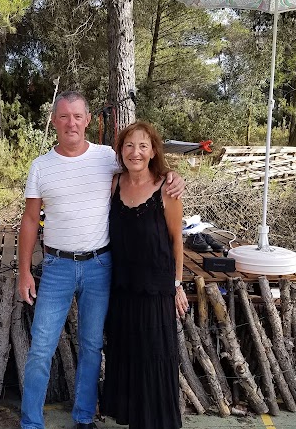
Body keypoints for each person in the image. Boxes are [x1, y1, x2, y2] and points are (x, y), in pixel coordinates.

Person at [17, 91, 184, 429]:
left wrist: (174, 176)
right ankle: (31, 423)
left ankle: (83, 417)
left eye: (77, 116)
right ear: (54, 121)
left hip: (100, 266)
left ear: (88, 120)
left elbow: (143, 167)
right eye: (64, 116)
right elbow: (30, 220)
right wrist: (24, 272)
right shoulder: (41, 167)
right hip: (57, 267)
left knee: (92, 345)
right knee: (41, 348)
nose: (71, 123)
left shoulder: (107, 157)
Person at [101, 121, 188, 429]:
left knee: (154, 358)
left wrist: (177, 285)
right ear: (120, 151)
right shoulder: (114, 183)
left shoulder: (167, 188)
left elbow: (177, 240)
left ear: (153, 152)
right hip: (122, 288)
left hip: (155, 290)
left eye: (142, 146)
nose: (135, 152)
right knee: (127, 357)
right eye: (128, 145)